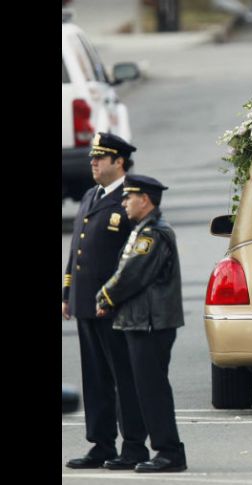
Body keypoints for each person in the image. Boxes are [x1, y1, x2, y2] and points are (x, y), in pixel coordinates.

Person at [62, 133, 149, 469]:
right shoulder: (89, 195)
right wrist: (68, 292)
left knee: (123, 377)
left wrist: (115, 295)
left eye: (101, 158)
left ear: (119, 163)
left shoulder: (132, 199)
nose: (93, 163)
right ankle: (101, 444)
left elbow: (134, 259)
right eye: (92, 158)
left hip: (114, 305)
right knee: (95, 378)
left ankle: (133, 446)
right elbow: (77, 249)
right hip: (86, 302)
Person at [96, 174, 187, 473]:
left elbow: (133, 274)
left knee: (152, 389)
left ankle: (170, 452)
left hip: (151, 324)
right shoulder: (143, 230)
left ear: (145, 200)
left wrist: (106, 296)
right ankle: (134, 449)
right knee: (132, 388)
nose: (123, 202)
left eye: (128, 197)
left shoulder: (153, 235)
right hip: (135, 322)